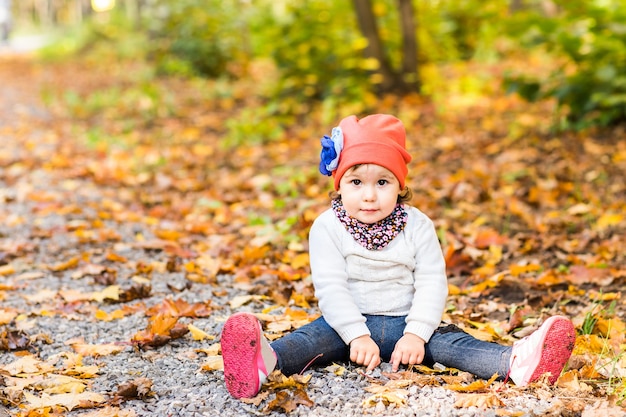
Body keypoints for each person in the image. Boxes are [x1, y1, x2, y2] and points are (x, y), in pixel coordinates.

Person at [220, 114, 576, 399]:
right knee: (309, 341)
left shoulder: (417, 225)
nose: (369, 196)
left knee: (456, 346)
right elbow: (331, 288)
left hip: (411, 322)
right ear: (339, 185)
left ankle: (517, 362)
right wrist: (356, 335)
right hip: (346, 325)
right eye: (356, 183)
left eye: (383, 182)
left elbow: (432, 283)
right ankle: (263, 362)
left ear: (400, 186)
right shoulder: (327, 227)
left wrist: (418, 334)